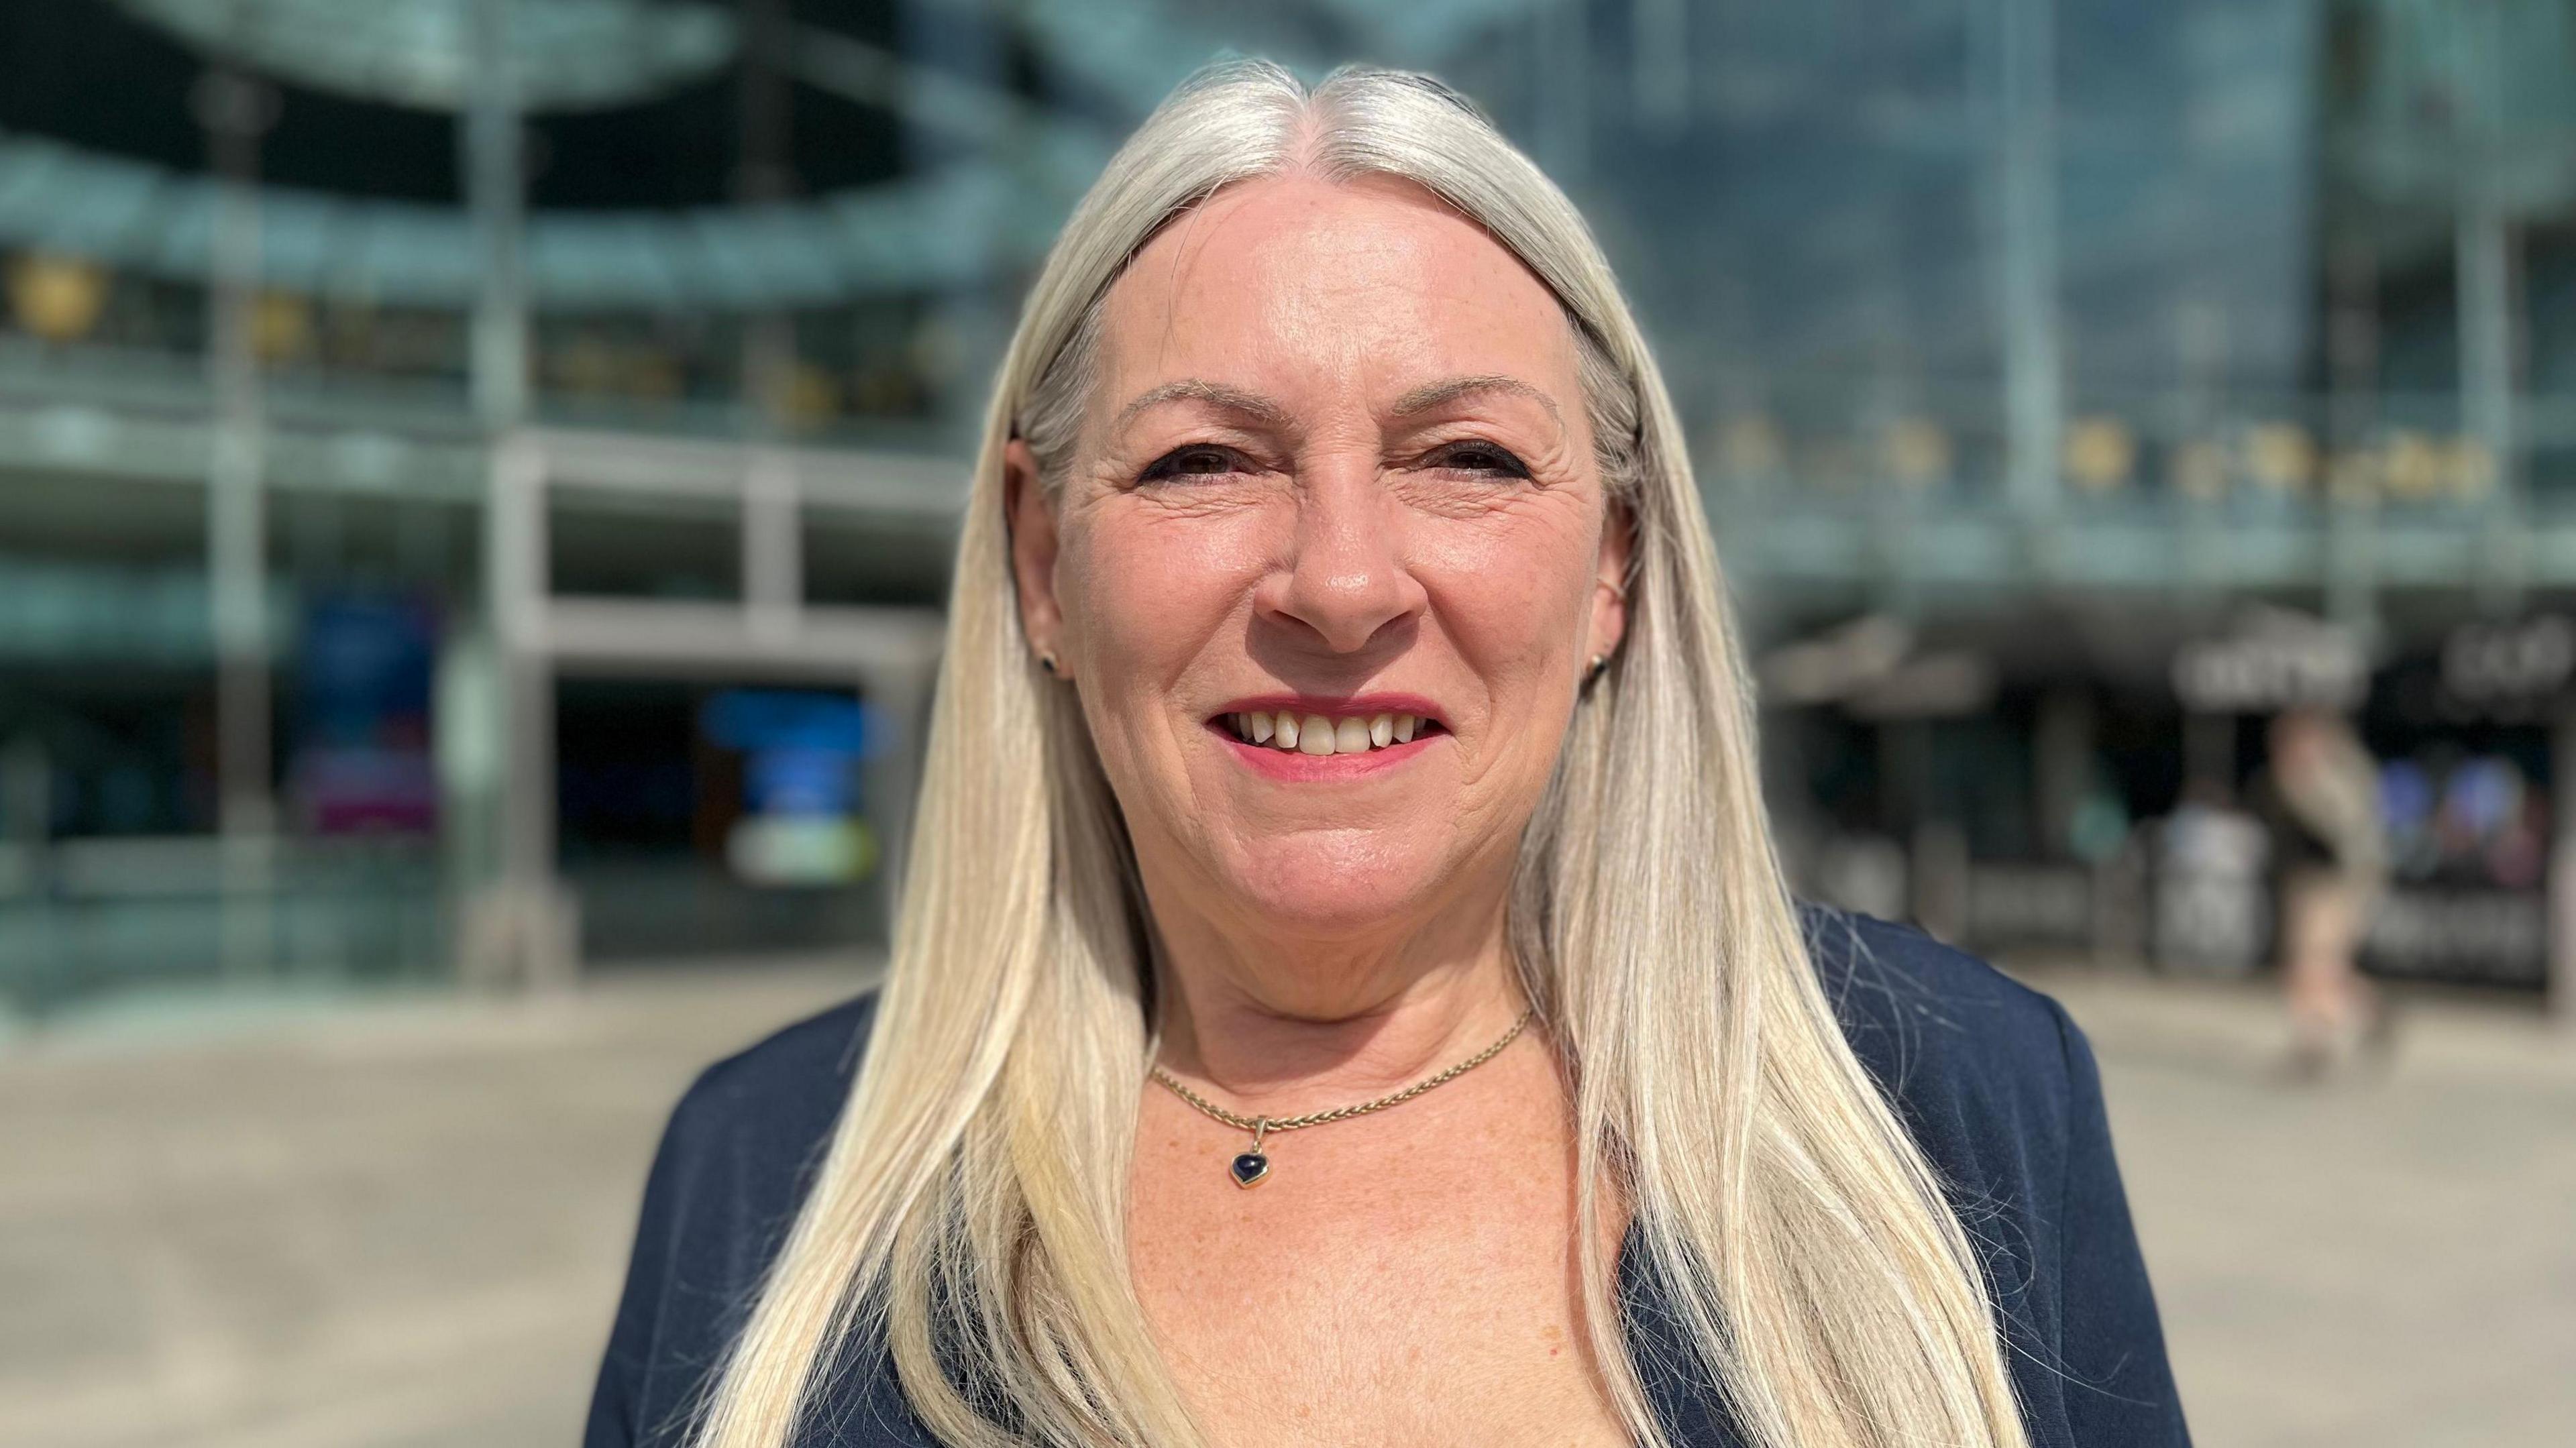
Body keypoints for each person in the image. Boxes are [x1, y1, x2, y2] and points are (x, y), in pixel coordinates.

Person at [586, 61, 2188, 1448]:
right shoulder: (758, 1176)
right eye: (1205, 459)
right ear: (1042, 558)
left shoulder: (1959, 1106)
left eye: (1465, 458)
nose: (1341, 583)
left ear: (1613, 563)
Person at [2254, 707, 2392, 1076]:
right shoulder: (2307, 775)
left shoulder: (2332, 775)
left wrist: (2301, 782)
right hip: (2308, 883)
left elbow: (2349, 834)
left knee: (2315, 965)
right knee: (2314, 966)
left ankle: (2317, 1042)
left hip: (2330, 884)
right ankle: (2360, 1017)